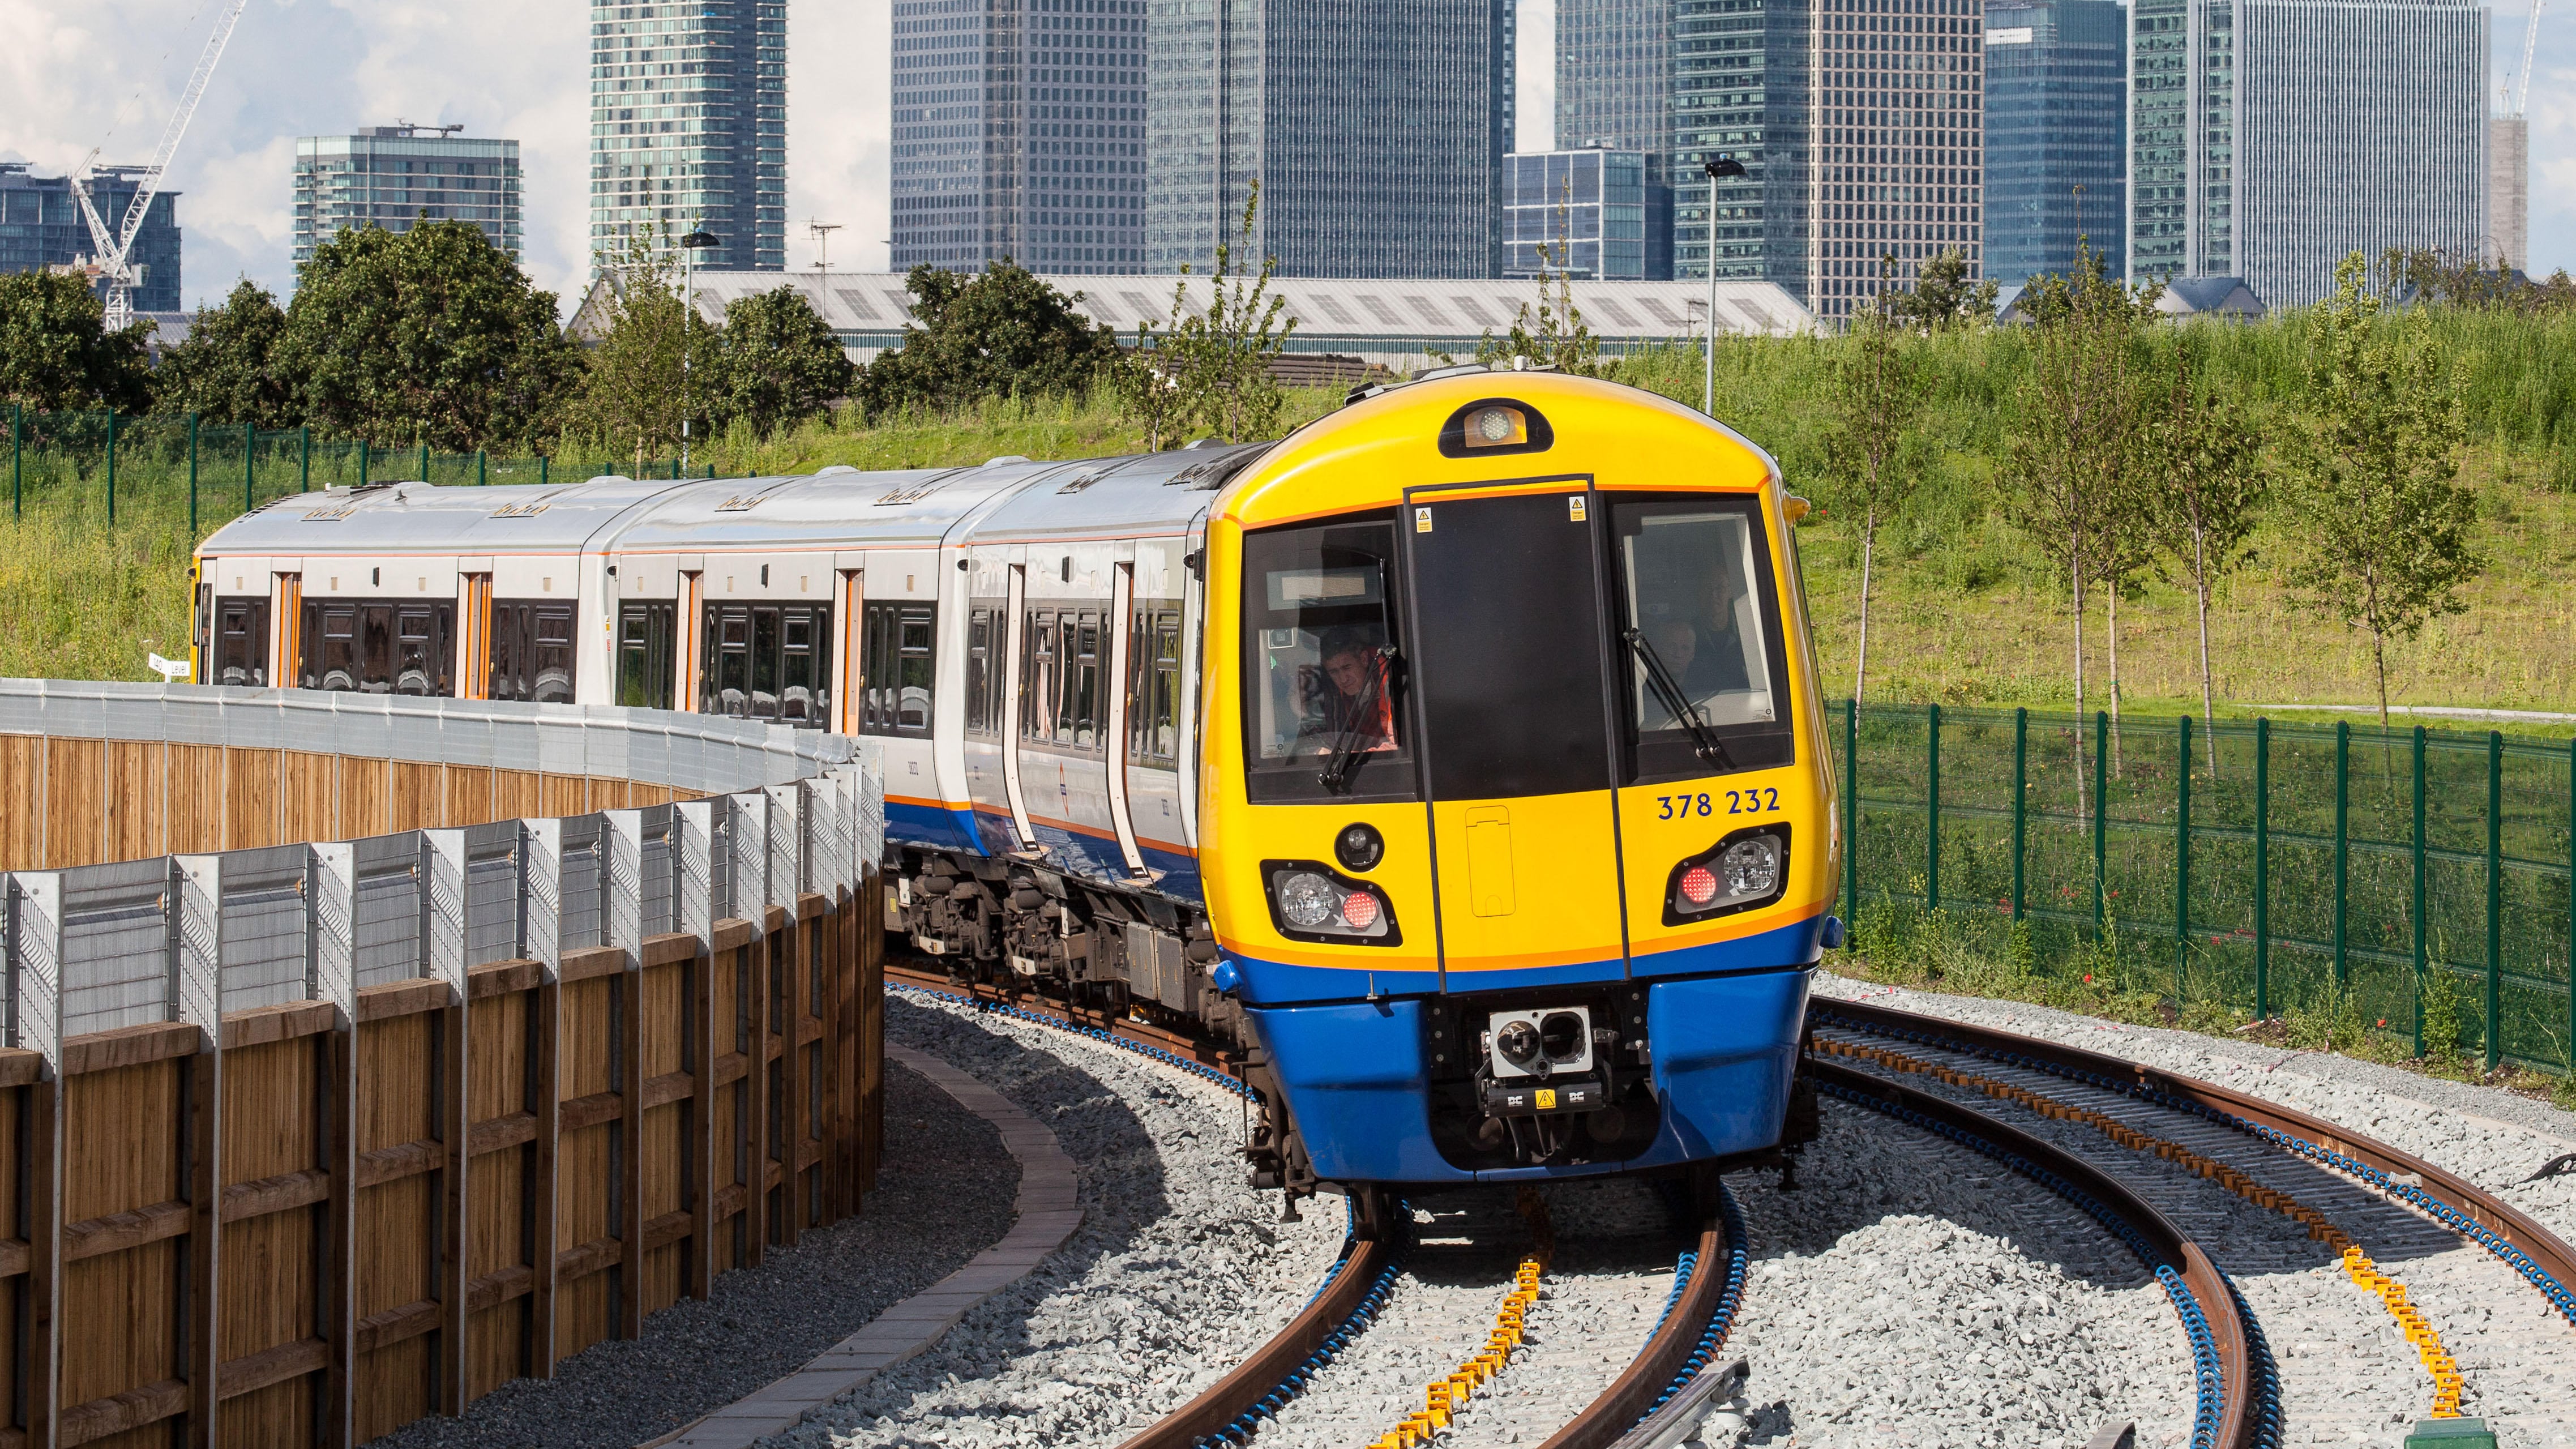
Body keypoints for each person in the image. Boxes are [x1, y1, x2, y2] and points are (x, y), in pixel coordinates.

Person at [1296, 627, 1395, 755]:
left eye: (1347, 667)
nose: (1343, 679)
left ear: (1364, 659)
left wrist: (1346, 757)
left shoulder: (1389, 682)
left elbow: (1397, 747)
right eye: (1334, 672)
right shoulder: (1331, 689)